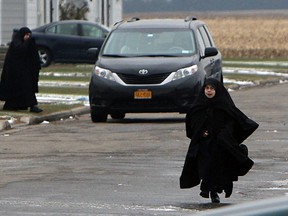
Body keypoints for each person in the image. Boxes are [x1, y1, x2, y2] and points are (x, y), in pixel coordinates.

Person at [179, 78, 258, 203]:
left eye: (212, 89)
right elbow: (192, 124)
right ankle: (211, 191)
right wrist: (201, 132)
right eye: (207, 88)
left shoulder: (224, 105)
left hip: (222, 143)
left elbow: (233, 121)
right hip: (205, 143)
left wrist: (223, 134)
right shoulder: (199, 106)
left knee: (221, 165)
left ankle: (220, 187)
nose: (209, 91)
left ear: (217, 90)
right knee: (207, 164)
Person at [0, 27, 43, 113]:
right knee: (21, 89)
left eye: (29, 35)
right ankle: (28, 105)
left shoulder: (26, 43)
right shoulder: (16, 43)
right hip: (15, 72)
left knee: (27, 88)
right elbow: (20, 51)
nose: (28, 37)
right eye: (26, 35)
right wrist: (27, 42)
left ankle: (30, 105)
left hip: (24, 71)